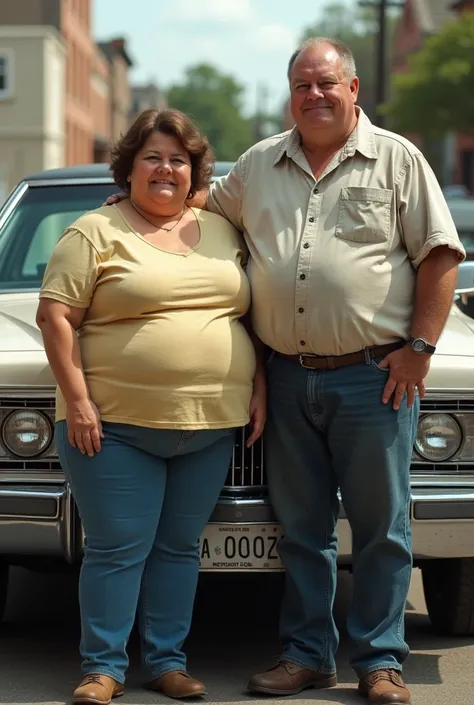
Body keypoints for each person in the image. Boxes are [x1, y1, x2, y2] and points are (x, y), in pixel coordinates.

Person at [106, 39, 466, 705]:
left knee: (383, 527)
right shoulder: (258, 166)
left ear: (353, 89)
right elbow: (190, 215)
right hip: (289, 375)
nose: (315, 95)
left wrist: (420, 347)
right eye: (302, 85)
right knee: (301, 529)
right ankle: (307, 654)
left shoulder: (398, 160)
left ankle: (381, 661)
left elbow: (441, 254)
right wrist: (121, 219)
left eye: (327, 83)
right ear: (289, 94)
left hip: (373, 376)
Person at [36, 108, 266, 705]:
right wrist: (80, 402)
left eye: (178, 159)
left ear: (194, 172)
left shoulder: (220, 227)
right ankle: (102, 669)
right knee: (117, 547)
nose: (166, 169)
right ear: (130, 168)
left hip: (211, 425)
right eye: (152, 157)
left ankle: (167, 662)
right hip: (113, 426)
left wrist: (258, 380)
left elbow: (246, 313)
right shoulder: (93, 231)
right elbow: (56, 316)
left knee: (179, 548)